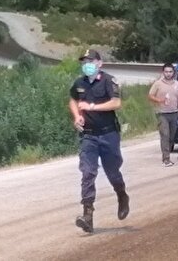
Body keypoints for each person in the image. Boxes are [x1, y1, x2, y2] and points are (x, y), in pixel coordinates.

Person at [68, 49, 129, 234]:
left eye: (90, 60)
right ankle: (87, 215)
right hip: (89, 135)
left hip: (109, 134)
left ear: (99, 63)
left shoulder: (109, 81)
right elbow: (72, 99)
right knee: (88, 172)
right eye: (84, 61)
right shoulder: (79, 83)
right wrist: (77, 115)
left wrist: (92, 106)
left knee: (112, 172)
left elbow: (116, 103)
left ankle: (121, 194)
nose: (87, 64)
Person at [148, 62, 178, 166]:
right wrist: (159, 100)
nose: (168, 74)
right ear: (163, 72)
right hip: (162, 113)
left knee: (172, 136)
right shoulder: (158, 83)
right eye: (166, 72)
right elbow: (150, 95)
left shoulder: (177, 84)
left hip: (174, 113)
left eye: (170, 72)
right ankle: (166, 159)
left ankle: (168, 150)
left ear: (173, 72)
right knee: (165, 135)